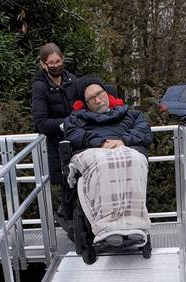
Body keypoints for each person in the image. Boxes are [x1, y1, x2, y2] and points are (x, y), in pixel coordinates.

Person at [63, 76, 153, 247]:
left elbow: (144, 131)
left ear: (107, 93)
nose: (98, 100)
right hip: (95, 151)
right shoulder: (76, 119)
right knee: (103, 163)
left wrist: (123, 141)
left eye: (100, 93)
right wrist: (101, 143)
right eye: (91, 98)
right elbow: (74, 134)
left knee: (132, 159)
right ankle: (107, 227)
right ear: (85, 103)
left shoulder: (131, 114)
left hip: (125, 147)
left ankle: (135, 225)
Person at [31, 43, 78, 185]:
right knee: (64, 187)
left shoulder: (73, 81)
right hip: (55, 147)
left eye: (58, 61)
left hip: (76, 141)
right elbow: (41, 122)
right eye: (51, 63)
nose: (55, 65)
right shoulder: (39, 87)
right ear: (43, 64)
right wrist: (68, 122)